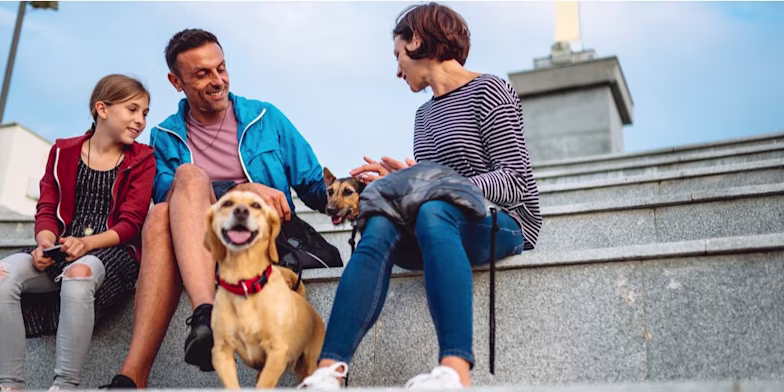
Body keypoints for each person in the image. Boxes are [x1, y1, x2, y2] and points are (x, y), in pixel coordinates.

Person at [298, 2, 542, 389]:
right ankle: (330, 370)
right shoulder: (423, 116)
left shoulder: (491, 90)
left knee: (433, 211)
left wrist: (436, 186)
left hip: (502, 223)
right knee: (380, 221)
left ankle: (455, 370)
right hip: (441, 225)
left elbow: (515, 180)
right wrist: (404, 181)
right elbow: (433, 186)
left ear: (416, 41)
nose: (397, 70)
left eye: (398, 54)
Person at [103, 29, 328, 389]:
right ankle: (198, 320)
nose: (218, 80)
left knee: (170, 201)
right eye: (202, 74)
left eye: (221, 68)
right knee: (176, 191)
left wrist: (363, 190)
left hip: (266, 241)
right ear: (176, 82)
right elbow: (165, 195)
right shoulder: (164, 136)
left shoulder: (265, 117)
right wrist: (239, 190)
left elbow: (316, 188)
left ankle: (147, 365)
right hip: (205, 245)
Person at [0, 74, 155, 392]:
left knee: (79, 273)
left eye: (144, 113)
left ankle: (65, 386)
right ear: (102, 109)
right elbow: (46, 208)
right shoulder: (62, 151)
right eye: (132, 109)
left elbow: (131, 224)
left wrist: (86, 244)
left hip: (112, 251)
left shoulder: (143, 159)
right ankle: (9, 384)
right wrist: (45, 243)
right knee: (3, 274)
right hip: (63, 246)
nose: (140, 120)